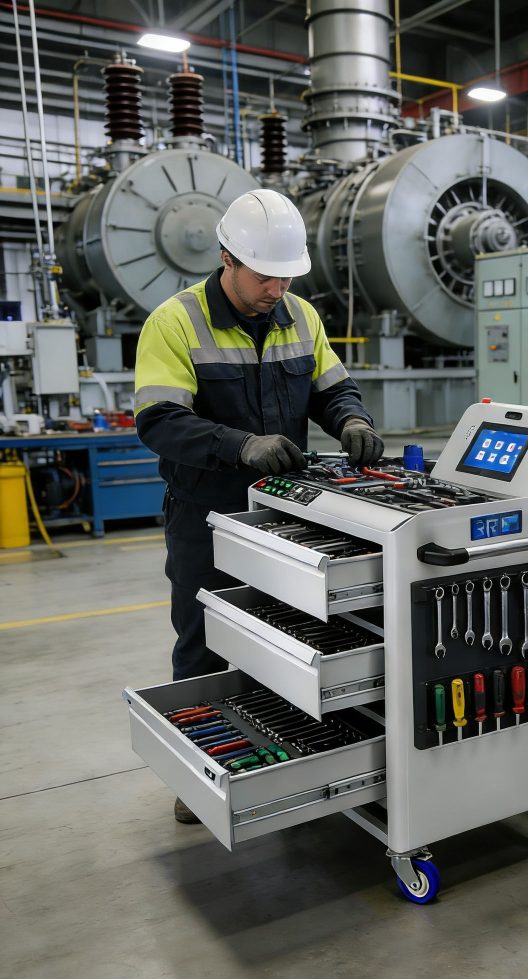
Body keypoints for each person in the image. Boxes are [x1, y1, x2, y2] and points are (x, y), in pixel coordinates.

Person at [134, 188, 384, 822]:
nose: (277, 289)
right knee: (203, 639)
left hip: (286, 512)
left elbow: (332, 387)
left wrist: (351, 419)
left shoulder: (300, 316)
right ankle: (197, 777)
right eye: (266, 276)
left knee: (287, 636)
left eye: (287, 276)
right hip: (205, 516)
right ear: (227, 258)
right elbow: (158, 421)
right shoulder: (174, 321)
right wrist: (239, 445)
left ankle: (287, 760)